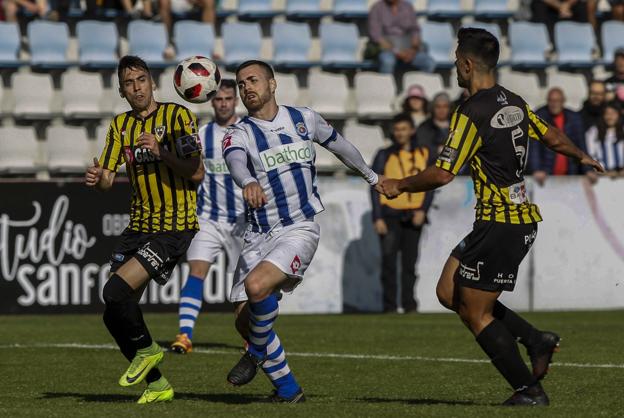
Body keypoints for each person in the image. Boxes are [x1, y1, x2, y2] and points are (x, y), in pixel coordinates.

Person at [379, 28, 604, 406]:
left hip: (502, 224)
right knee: (449, 291)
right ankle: (535, 339)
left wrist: (399, 185)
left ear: (467, 65)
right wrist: (580, 155)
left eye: (456, 62)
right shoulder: (512, 101)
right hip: (505, 221)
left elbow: (444, 172)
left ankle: (528, 390)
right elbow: (550, 136)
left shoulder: (470, 111)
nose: (455, 68)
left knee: (475, 313)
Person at [222, 60, 383, 403]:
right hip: (257, 235)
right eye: (240, 84)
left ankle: (253, 355)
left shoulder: (303, 118)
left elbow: (340, 146)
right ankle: (288, 390)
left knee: (256, 286)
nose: (246, 87)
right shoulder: (238, 132)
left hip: (298, 228)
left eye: (253, 80)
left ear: (272, 84)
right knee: (242, 320)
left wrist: (373, 178)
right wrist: (248, 180)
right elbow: (235, 161)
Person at [85, 55, 203, 404]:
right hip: (139, 226)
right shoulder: (120, 126)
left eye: (140, 80)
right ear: (121, 91)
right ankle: (157, 385)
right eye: (128, 83)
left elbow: (195, 172)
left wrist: (161, 151)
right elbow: (107, 178)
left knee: (114, 292)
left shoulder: (177, 116)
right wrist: (97, 179)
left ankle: (149, 349)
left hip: (174, 227)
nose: (136, 87)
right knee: (114, 312)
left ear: (152, 82)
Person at [170, 79, 245, 354]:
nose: (223, 104)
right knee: (196, 271)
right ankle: (185, 335)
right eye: (218, 99)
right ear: (211, 101)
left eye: (227, 99)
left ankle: (251, 338)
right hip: (208, 218)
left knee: (246, 284)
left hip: (242, 221)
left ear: (235, 100)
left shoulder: (247, 132)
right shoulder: (202, 134)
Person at [371, 113, 435, 314]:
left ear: (412, 131)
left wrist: (423, 211)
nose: (400, 133)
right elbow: (374, 185)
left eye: (404, 129)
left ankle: (410, 305)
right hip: (390, 215)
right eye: (397, 129)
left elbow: (431, 184)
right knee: (389, 263)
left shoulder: (425, 152)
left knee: (410, 264)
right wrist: (377, 217)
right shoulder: (383, 154)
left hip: (414, 215)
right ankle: (389, 307)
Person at [529, 87, 587, 185]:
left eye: (557, 100)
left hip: (571, 174)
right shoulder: (539, 117)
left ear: (563, 101)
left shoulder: (574, 118)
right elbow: (534, 147)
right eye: (551, 100)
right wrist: (536, 169)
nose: (554, 104)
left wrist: (587, 170)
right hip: (546, 175)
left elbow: (581, 145)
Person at [368, 0, 435, 75]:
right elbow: (376, 36)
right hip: (387, 49)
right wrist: (397, 51)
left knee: (428, 63)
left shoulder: (408, 7)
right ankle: (385, 86)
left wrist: (413, 50)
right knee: (387, 62)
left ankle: (415, 86)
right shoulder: (377, 8)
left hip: (407, 47)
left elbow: (415, 31)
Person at [585, 101, 624, 177]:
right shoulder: (593, 132)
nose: (610, 117)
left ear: (619, 115)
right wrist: (603, 171)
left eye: (613, 113)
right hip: (601, 175)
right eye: (607, 113)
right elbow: (591, 154)